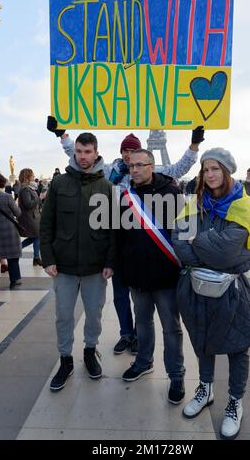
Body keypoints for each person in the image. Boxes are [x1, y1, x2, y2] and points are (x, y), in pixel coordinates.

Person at [47, 115, 204, 355]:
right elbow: (79, 157)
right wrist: (63, 136)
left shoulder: (149, 170)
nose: (129, 156)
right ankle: (126, 334)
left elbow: (179, 168)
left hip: (143, 242)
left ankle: (140, 341)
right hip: (118, 243)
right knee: (120, 296)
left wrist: (194, 146)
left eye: (133, 151)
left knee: (141, 304)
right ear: (121, 154)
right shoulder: (110, 171)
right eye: (125, 151)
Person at [172, 148, 250, 439]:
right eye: (205, 169)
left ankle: (235, 402)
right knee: (203, 340)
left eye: (216, 168)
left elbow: (226, 254)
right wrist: (211, 248)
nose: (210, 174)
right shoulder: (194, 203)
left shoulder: (242, 206)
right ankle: (206, 388)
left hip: (231, 292)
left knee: (238, 347)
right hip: (198, 289)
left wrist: (197, 238)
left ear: (227, 171)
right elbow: (179, 243)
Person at [40, 132, 116, 391]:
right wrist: (47, 258)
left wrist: (110, 261)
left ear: (96, 153)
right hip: (64, 266)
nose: (83, 157)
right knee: (63, 316)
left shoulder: (106, 187)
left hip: (96, 268)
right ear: (75, 153)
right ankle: (65, 360)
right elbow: (47, 223)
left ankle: (89, 351)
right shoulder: (59, 183)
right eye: (79, 152)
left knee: (94, 316)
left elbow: (112, 229)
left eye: (88, 152)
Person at [119, 148, 186, 405]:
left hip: (166, 275)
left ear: (152, 165)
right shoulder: (127, 196)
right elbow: (120, 235)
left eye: (139, 165)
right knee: (143, 323)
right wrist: (120, 266)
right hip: (137, 275)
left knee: (171, 327)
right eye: (131, 166)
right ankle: (144, 361)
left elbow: (183, 234)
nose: (134, 170)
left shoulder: (172, 193)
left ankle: (176, 375)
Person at [0, 172, 22, 289]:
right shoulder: (7, 197)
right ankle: (14, 279)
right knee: (12, 256)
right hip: (8, 231)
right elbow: (18, 213)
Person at [18, 169, 42, 266]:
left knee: (35, 237)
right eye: (32, 175)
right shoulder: (25, 189)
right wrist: (39, 197)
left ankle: (36, 258)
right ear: (27, 177)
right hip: (29, 218)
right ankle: (36, 257)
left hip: (33, 217)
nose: (34, 176)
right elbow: (28, 204)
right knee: (37, 236)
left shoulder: (28, 188)